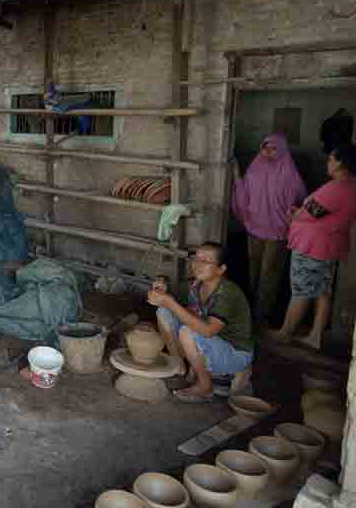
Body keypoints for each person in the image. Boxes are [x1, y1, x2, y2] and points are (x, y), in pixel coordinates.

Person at [269, 144, 356, 350]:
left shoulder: (336, 188)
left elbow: (307, 213)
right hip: (329, 246)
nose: (328, 162)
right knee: (322, 290)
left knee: (301, 290)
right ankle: (315, 336)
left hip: (313, 248)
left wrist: (294, 214)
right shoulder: (352, 186)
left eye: (331, 159)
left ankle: (285, 332)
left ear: (341, 163)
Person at [150, 242, 254, 402]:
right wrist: (162, 287)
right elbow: (170, 294)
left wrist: (169, 302)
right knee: (163, 312)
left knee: (187, 331)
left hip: (234, 353)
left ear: (221, 269)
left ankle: (206, 386)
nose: (198, 264)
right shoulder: (196, 285)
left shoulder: (227, 293)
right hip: (209, 345)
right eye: (196, 258)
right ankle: (181, 367)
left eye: (205, 261)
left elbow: (208, 331)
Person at [232, 133, 307, 322]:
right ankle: (250, 307)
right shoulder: (255, 169)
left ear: (282, 150)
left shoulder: (289, 174)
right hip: (255, 228)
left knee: (270, 272)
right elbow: (244, 193)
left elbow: (301, 200)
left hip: (277, 232)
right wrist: (236, 177)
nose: (268, 152)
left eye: (273, 148)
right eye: (265, 147)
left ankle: (262, 313)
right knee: (254, 268)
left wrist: (291, 217)